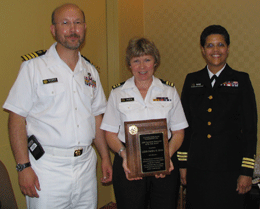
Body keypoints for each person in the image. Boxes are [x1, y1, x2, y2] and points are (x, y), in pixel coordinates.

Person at [3, 3, 112, 209]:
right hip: (47, 168)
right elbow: (17, 117)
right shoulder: (34, 67)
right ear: (53, 30)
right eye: (65, 23)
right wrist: (23, 166)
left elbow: (96, 117)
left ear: (84, 28)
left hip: (86, 166)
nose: (72, 29)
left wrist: (105, 157)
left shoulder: (90, 71)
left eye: (77, 23)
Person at [100, 37, 188, 209]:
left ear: (155, 62)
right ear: (129, 64)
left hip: (165, 161)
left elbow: (178, 132)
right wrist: (125, 156)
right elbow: (109, 133)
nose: (142, 67)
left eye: (147, 60)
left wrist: (166, 156)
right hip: (127, 163)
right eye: (136, 61)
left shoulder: (169, 91)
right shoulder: (117, 93)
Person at [179, 25, 258, 209]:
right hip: (197, 168)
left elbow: (250, 129)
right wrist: (183, 164)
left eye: (220, 44)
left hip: (230, 169)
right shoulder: (192, 80)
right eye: (210, 45)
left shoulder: (241, 80)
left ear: (228, 48)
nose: (216, 50)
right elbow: (185, 126)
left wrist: (246, 171)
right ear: (202, 50)